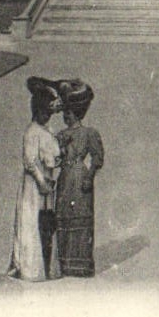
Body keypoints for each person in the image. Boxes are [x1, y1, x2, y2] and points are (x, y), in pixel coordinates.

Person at [8, 77, 62, 281]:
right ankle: (32, 269)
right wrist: (41, 182)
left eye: (49, 113)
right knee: (32, 222)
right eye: (44, 112)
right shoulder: (31, 132)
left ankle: (48, 268)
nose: (47, 116)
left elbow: (52, 157)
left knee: (47, 223)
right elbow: (30, 162)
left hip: (47, 183)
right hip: (34, 186)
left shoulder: (46, 131)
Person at [54, 80, 104, 279]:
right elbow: (55, 158)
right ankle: (65, 264)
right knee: (64, 215)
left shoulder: (89, 133)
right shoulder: (60, 135)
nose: (66, 116)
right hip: (65, 178)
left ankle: (80, 265)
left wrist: (89, 177)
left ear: (76, 113)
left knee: (81, 216)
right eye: (65, 113)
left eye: (68, 113)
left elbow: (97, 158)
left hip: (80, 176)